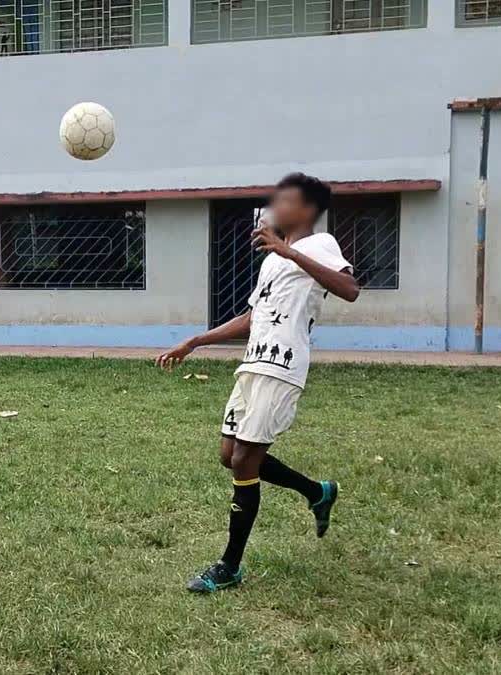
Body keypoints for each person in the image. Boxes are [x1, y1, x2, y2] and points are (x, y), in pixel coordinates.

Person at [155, 173, 360, 593]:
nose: (274, 206)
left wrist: (288, 251)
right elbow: (252, 320)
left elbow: (350, 289)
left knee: (246, 462)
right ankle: (317, 492)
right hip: (252, 363)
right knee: (229, 455)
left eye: (283, 199)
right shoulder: (270, 260)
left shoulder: (320, 245)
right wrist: (195, 341)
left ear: (306, 208)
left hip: (282, 367)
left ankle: (229, 567)